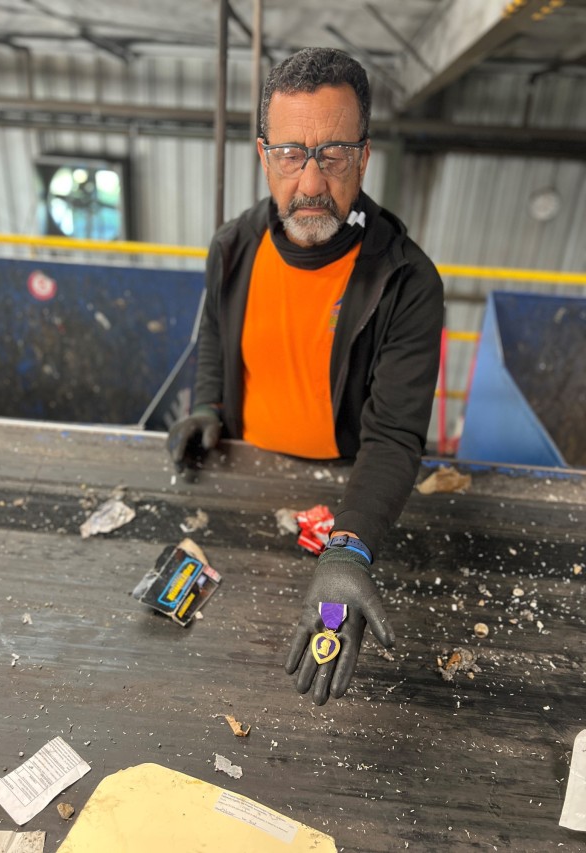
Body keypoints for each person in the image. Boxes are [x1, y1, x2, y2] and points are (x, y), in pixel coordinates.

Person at [168, 47, 444, 706]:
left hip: (346, 498)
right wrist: (208, 406)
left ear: (364, 157)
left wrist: (348, 549)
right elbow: (216, 336)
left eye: (334, 155)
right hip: (246, 485)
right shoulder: (233, 247)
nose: (311, 182)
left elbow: (394, 437)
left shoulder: (406, 282)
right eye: (292, 154)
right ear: (265, 156)